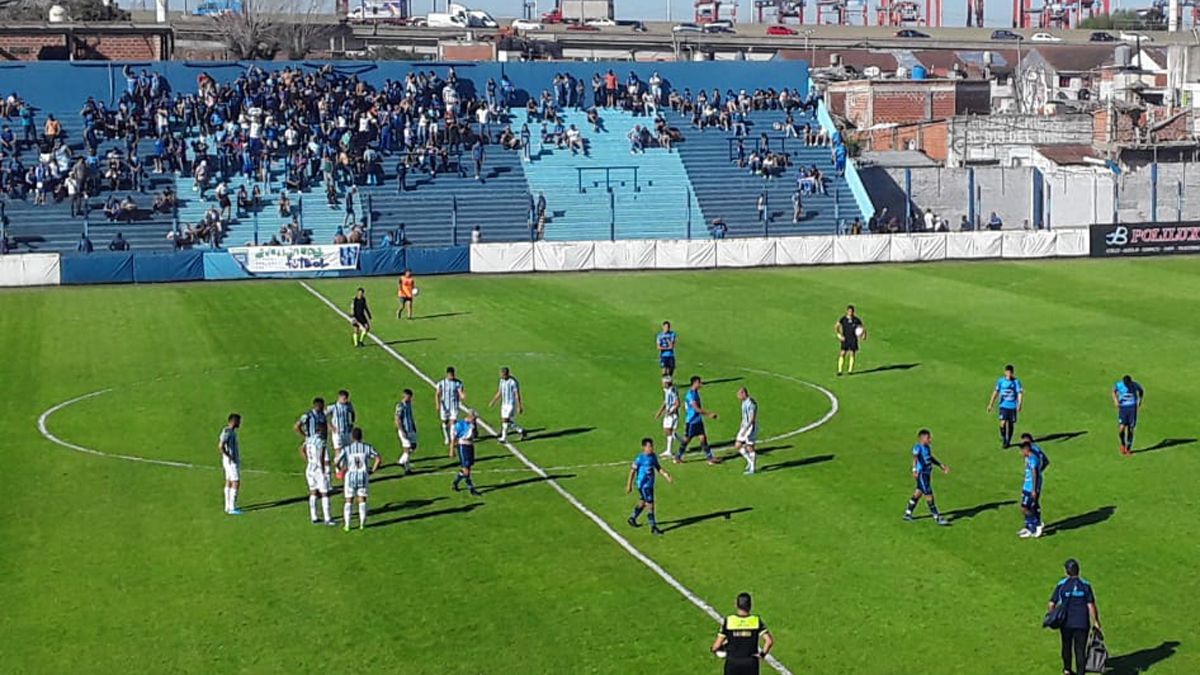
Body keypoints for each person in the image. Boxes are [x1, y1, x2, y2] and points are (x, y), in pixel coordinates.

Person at [1048, 559, 1101, 675]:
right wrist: (1096, 621)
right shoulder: (1085, 585)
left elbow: (1051, 603)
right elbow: (1091, 605)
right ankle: (1080, 673)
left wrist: (1052, 617)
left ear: (1067, 571)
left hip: (1066, 623)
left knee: (1066, 646)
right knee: (1080, 650)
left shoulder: (1062, 585)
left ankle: (1067, 669)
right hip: (1082, 623)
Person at [711, 592, 775, 675]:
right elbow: (769, 641)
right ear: (750, 605)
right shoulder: (755, 621)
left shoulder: (729, 621)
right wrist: (762, 655)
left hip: (733, 662)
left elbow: (716, 645)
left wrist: (715, 649)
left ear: (736, 605)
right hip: (750, 663)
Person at [335, 427, 381, 532]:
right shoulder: (367, 447)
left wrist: (340, 470)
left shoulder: (347, 449)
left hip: (350, 476)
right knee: (362, 500)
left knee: (348, 500)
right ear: (361, 436)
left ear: (352, 437)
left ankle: (347, 525)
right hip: (363, 476)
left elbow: (337, 461)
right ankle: (362, 524)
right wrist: (372, 470)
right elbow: (378, 459)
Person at [903, 428, 951, 526]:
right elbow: (915, 457)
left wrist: (941, 465)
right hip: (922, 474)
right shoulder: (918, 447)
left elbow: (930, 458)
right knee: (929, 495)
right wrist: (914, 470)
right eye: (928, 438)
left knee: (918, 493)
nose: (930, 439)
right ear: (922, 438)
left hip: (927, 474)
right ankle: (937, 517)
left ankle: (908, 513)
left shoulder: (927, 448)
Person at [626, 437, 672, 535]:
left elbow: (658, 467)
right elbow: (632, 471)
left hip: (650, 484)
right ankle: (653, 527)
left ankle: (632, 518)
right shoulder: (640, 458)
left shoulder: (653, 456)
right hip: (643, 485)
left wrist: (666, 475)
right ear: (644, 447)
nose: (651, 448)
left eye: (652, 446)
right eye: (649, 446)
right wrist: (629, 485)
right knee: (650, 505)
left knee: (643, 502)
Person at [676, 376, 718, 465]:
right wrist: (709, 414)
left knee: (703, 438)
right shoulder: (691, 394)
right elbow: (696, 408)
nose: (701, 384)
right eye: (699, 382)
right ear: (695, 383)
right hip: (692, 421)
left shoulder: (695, 392)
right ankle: (678, 457)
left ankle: (710, 458)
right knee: (687, 440)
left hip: (698, 420)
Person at [299, 421, 335, 526]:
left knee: (313, 492)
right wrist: (323, 470)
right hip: (319, 469)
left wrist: (308, 460)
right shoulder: (321, 441)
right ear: (321, 430)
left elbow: (301, 449)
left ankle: (314, 517)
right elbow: (322, 457)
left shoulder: (309, 439)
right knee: (325, 493)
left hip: (310, 468)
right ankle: (327, 518)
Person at [987, 364, 1024, 449]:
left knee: (1010, 424)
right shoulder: (1001, 381)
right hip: (1003, 405)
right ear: (1005, 372)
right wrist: (991, 404)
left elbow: (1019, 393)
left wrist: (1019, 404)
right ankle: (1004, 439)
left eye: (1010, 373)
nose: (1009, 374)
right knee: (1002, 423)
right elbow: (996, 392)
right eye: (1007, 372)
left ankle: (1008, 441)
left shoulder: (1016, 382)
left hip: (1012, 406)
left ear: (1012, 373)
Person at [488, 366, 526, 443]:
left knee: (505, 420)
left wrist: (519, 406)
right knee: (505, 421)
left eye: (503, 374)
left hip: (511, 404)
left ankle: (504, 438)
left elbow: (517, 394)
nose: (501, 376)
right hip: (504, 404)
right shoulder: (501, 381)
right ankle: (520, 430)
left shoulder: (513, 382)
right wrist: (493, 401)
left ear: (507, 374)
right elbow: (500, 392)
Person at [451, 409, 482, 496]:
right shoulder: (460, 424)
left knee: (468, 468)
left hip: (470, 446)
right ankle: (471, 488)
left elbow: (476, 436)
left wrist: (475, 427)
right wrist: (452, 449)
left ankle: (455, 482)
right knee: (466, 471)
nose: (475, 420)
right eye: (474, 418)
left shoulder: (472, 425)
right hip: (463, 446)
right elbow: (454, 437)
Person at [1112, 374, 1145, 456]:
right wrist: (1115, 400)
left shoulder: (1135, 385)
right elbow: (1114, 391)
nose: (1127, 385)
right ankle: (1123, 444)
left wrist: (1140, 401)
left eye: (1128, 383)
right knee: (1121, 429)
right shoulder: (1119, 385)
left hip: (1132, 408)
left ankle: (1128, 449)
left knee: (1131, 428)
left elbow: (1141, 391)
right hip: (1123, 408)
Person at [1019, 440, 1044, 539]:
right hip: (1026, 486)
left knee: (1025, 508)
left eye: (1022, 450)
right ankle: (1029, 527)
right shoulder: (1029, 458)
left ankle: (1036, 525)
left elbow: (1035, 474)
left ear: (1027, 449)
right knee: (1026, 507)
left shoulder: (1033, 459)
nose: (1021, 453)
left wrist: (1034, 489)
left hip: (1030, 488)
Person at [218, 413, 242, 516]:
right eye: (238, 421)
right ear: (234, 421)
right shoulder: (227, 432)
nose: (240, 423)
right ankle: (232, 507)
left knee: (228, 481)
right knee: (235, 482)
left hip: (228, 461)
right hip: (231, 462)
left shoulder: (230, 431)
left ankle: (227, 507)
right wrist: (229, 456)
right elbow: (220, 446)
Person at [436, 366, 465, 446]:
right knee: (445, 422)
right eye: (450, 374)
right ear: (447, 374)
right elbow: (437, 394)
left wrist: (462, 395)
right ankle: (447, 437)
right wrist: (437, 404)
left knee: (453, 423)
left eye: (453, 374)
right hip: (444, 406)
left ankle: (452, 440)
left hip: (454, 406)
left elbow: (460, 391)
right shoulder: (441, 383)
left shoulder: (458, 383)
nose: (452, 376)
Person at [655, 376, 682, 459]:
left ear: (667, 383)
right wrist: (660, 411)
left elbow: (678, 403)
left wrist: (671, 411)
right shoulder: (666, 390)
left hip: (672, 414)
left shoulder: (672, 391)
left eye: (663, 383)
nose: (662, 384)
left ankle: (669, 451)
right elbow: (666, 402)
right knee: (668, 431)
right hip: (668, 413)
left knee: (668, 431)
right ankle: (682, 442)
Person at [834, 305, 865, 376]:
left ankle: (850, 370)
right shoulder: (843, 319)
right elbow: (836, 326)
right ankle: (839, 370)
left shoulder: (856, 320)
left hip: (853, 339)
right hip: (845, 338)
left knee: (852, 353)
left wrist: (863, 335)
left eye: (851, 311)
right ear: (847, 311)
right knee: (842, 353)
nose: (850, 313)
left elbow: (863, 327)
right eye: (849, 311)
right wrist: (839, 335)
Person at [734, 387, 758, 475]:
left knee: (750, 447)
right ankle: (749, 462)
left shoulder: (751, 403)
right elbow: (744, 416)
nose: (738, 397)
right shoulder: (744, 402)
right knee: (737, 445)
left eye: (739, 395)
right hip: (744, 427)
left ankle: (753, 468)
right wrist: (742, 426)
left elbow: (752, 418)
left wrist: (746, 429)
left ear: (743, 393)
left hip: (750, 428)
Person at [394, 388, 418, 474]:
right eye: (408, 396)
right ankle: (403, 464)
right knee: (407, 448)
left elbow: (410, 416)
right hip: (404, 430)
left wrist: (414, 426)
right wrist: (402, 430)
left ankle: (404, 463)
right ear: (404, 396)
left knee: (413, 446)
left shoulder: (409, 404)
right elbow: (397, 419)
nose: (410, 398)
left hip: (411, 429)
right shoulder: (400, 406)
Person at [328, 389, 356, 457]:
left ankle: (347, 463)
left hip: (347, 432)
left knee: (348, 450)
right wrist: (331, 427)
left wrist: (352, 423)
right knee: (338, 451)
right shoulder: (333, 407)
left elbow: (353, 413)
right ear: (339, 397)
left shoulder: (348, 405)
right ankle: (338, 463)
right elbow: (323, 417)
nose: (345, 400)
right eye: (344, 399)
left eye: (346, 398)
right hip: (337, 433)